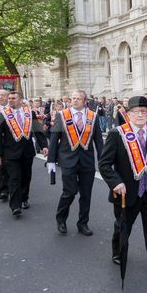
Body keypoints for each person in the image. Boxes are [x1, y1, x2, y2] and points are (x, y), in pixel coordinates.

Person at [99, 96, 147, 280]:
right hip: (127, 192)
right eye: (136, 111)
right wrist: (116, 182)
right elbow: (104, 164)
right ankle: (118, 252)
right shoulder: (117, 134)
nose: (140, 115)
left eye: (143, 111)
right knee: (123, 227)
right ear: (128, 114)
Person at [47, 90, 104, 236]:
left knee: (86, 194)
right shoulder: (62, 115)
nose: (75, 101)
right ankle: (61, 219)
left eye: (79, 98)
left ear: (85, 101)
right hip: (67, 160)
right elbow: (54, 138)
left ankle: (83, 223)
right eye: (73, 98)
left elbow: (98, 140)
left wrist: (104, 161)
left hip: (87, 162)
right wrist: (51, 160)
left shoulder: (93, 116)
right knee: (69, 192)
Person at [0, 91, 49, 217]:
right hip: (10, 153)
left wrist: (44, 145)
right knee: (15, 178)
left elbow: (38, 130)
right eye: (10, 98)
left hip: (27, 151)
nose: (10, 100)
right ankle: (15, 206)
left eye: (13, 98)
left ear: (21, 100)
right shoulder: (2, 114)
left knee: (26, 176)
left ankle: (24, 198)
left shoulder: (30, 113)